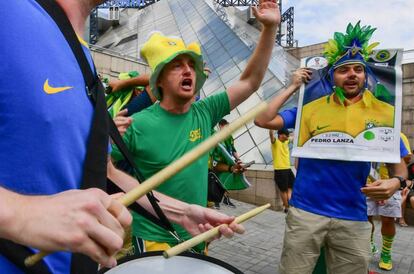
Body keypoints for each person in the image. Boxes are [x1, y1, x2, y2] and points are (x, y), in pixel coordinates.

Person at [0, 1, 243, 273]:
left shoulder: (81, 56)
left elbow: (108, 172)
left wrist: (180, 212)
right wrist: (20, 215)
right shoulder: (9, 13)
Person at [112, 0, 280, 255]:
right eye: (177, 66)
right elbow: (102, 170)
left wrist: (269, 29)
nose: (188, 70)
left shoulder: (205, 112)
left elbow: (251, 82)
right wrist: (107, 138)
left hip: (196, 237)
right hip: (151, 240)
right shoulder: (138, 123)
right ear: (160, 79)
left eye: (191, 65)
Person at [254, 22, 408, 273]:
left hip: (354, 217)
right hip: (306, 212)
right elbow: (263, 120)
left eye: (358, 69)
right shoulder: (309, 110)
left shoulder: (385, 114)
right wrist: (292, 86)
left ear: (366, 75)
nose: (352, 74)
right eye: (343, 70)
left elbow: (398, 165)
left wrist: (396, 183)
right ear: (332, 76)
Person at [269, 128, 294, 213]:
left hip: (288, 169)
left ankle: (288, 204)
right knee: (283, 190)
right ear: (280, 135)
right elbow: (271, 136)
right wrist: (271, 128)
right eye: (286, 135)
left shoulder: (286, 142)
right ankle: (287, 207)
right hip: (280, 170)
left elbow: (293, 137)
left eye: (288, 135)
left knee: (290, 187)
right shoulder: (276, 143)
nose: (288, 136)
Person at [398, 133, 413, 227]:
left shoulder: (401, 136)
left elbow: (407, 157)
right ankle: (401, 218)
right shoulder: (412, 167)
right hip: (407, 186)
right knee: (403, 192)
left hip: (398, 180)